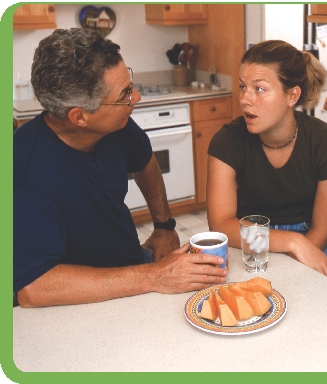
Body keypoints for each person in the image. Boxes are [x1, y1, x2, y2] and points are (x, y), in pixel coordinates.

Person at [14, 28, 227, 308]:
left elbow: (145, 162)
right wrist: (154, 276)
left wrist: (164, 226)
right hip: (77, 303)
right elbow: (33, 288)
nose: (136, 97)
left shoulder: (116, 125)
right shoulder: (27, 175)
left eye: (131, 84)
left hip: (131, 265)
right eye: (125, 93)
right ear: (80, 116)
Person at [207, 40, 327, 284]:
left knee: (313, 298)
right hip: (247, 238)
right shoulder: (227, 141)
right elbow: (221, 225)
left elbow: (320, 231)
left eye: (260, 89)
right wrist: (289, 241)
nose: (245, 99)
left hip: (312, 238)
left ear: (292, 95)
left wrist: (298, 245)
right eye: (243, 87)